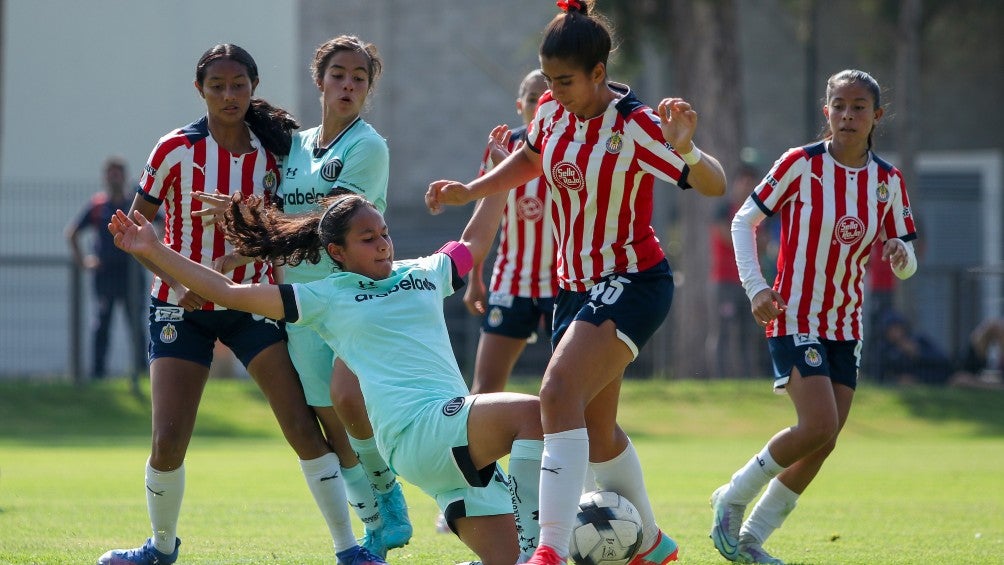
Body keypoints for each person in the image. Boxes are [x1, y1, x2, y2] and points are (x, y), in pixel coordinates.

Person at [425, 2, 727, 563]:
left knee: (556, 391)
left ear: (599, 72)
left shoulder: (635, 124)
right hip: (575, 287)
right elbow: (529, 160)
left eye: (567, 80)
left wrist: (686, 147)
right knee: (595, 425)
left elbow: (714, 184)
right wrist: (471, 189)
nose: (555, 90)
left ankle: (550, 551)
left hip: (633, 279)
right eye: (550, 78)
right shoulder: (549, 109)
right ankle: (654, 545)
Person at [108, 185, 545, 565]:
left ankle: (524, 555)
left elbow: (474, 240)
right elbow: (227, 292)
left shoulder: (425, 271)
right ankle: (535, 554)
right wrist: (152, 248)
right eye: (368, 238)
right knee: (534, 415)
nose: (383, 245)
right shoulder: (326, 297)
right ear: (337, 252)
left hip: (453, 442)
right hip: (416, 432)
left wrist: (504, 174)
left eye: (385, 234)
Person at [96, 44, 385, 565]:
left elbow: (288, 224)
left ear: (253, 87)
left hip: (254, 301)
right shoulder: (173, 150)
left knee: (301, 426)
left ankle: (348, 549)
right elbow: (136, 230)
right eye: (217, 87)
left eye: (238, 86)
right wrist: (175, 277)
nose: (228, 96)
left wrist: (236, 252)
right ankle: (160, 549)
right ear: (199, 90)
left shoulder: (276, 154)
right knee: (167, 438)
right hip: (179, 308)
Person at [710, 69, 919, 565]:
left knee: (824, 441)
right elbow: (744, 221)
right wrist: (756, 287)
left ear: (876, 116)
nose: (848, 115)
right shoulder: (799, 165)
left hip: (846, 324)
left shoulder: (887, 181)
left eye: (859, 106)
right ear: (827, 113)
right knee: (817, 422)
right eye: (839, 106)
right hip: (793, 314)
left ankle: (751, 539)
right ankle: (732, 498)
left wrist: (897, 253)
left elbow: (908, 260)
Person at [262, 34, 411, 556]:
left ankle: (392, 501)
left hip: (350, 294)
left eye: (360, 78)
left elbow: (328, 225)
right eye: (339, 74)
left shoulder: (367, 146)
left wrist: (251, 234)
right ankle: (374, 525)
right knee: (328, 413)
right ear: (319, 79)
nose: (348, 85)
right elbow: (284, 215)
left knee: (353, 404)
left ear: (369, 88)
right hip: (301, 300)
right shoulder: (298, 146)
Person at [465, 69, 556, 396]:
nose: (540, 104)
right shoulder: (504, 147)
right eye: (533, 98)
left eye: (548, 97)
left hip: (563, 282)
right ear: (520, 105)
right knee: (485, 389)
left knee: (568, 386)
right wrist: (475, 279)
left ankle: (576, 445)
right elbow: (482, 217)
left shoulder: (572, 146)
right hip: (511, 279)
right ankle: (472, 446)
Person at [66, 156, 147, 380]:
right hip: (104, 276)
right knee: (102, 325)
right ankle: (98, 373)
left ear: (124, 175)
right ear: (105, 177)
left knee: (136, 326)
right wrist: (84, 261)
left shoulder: (134, 203)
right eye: (110, 173)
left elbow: (159, 223)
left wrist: (154, 254)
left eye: (118, 172)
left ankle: (141, 373)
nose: (114, 177)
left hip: (131, 274)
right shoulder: (97, 205)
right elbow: (72, 233)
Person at [706, 163, 764, 379]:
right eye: (744, 180)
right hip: (725, 282)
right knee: (722, 332)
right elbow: (727, 237)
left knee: (747, 334)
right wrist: (751, 239)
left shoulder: (757, 212)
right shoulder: (724, 209)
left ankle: (748, 379)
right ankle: (720, 378)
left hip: (749, 283)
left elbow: (767, 243)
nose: (748, 185)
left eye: (752, 181)